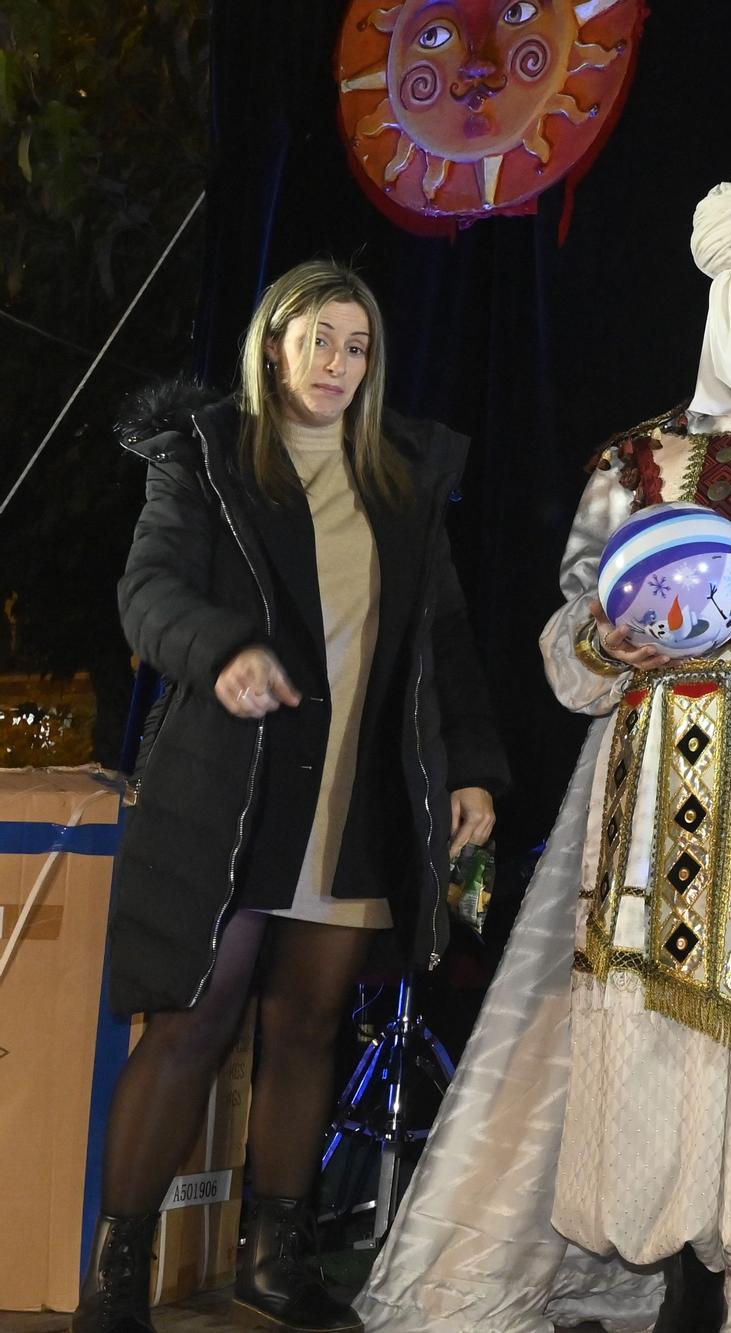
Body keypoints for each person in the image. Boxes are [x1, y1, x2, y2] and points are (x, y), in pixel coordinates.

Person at [357, 174, 731, 1333]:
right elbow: (570, 642)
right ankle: (688, 1277)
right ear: (720, 294)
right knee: (667, 1024)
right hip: (663, 781)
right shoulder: (635, 458)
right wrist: (613, 634)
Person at [79, 259, 508, 1333]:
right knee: (192, 1018)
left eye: (358, 346)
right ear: (274, 344)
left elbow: (442, 640)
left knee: (310, 1023)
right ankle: (118, 1277)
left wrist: (470, 768)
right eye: (320, 339)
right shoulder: (208, 454)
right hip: (232, 791)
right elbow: (148, 593)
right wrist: (222, 650)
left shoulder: (401, 477)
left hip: (354, 795)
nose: (339, 364)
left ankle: (276, 1261)